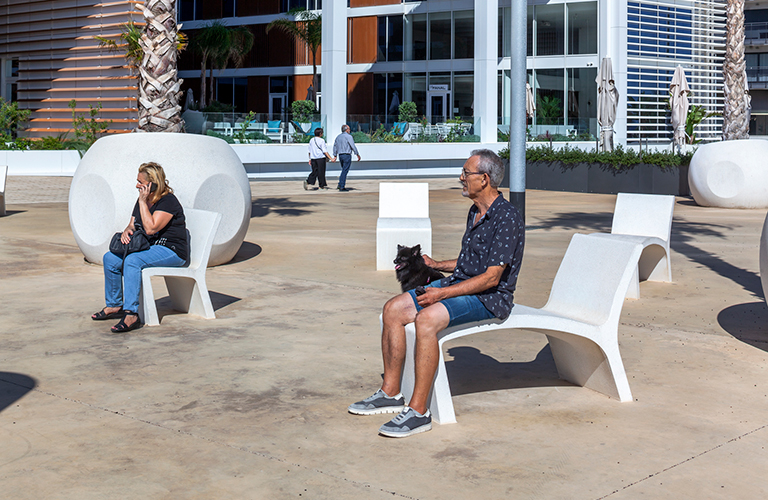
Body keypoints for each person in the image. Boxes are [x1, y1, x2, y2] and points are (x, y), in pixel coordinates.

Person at [348, 149, 525, 438]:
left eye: (466, 173)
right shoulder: (476, 212)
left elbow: (492, 277)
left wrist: (442, 294)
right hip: (461, 284)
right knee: (392, 309)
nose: (461, 178)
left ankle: (419, 412)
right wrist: (436, 265)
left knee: (426, 320)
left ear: (484, 179)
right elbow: (470, 263)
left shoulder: (506, 217)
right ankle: (391, 392)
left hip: (490, 298)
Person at [91, 162, 188, 333]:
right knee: (110, 258)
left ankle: (131, 314)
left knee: (132, 261)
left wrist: (143, 202)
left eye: (140, 182)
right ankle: (114, 305)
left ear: (153, 184)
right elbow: (132, 225)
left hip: (171, 250)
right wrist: (127, 232)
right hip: (150, 247)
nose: (137, 185)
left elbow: (151, 228)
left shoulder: (168, 201)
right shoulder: (143, 200)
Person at [332, 124, 361, 191]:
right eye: (349, 129)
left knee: (343, 170)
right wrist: (357, 154)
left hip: (340, 155)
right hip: (347, 155)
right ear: (346, 130)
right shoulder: (349, 137)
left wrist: (335, 155)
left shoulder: (338, 137)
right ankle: (342, 186)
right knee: (345, 171)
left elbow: (335, 146)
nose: (350, 130)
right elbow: (352, 146)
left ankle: (340, 184)